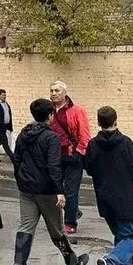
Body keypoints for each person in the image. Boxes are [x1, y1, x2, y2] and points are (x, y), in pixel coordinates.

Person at [10, 98, 90, 265]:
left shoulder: (24, 134)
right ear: (50, 115)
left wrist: (20, 178)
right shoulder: (51, 137)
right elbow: (53, 166)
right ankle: (72, 262)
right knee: (56, 229)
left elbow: (16, 158)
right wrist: (59, 191)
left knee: (26, 226)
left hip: (27, 188)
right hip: (46, 190)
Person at [85, 106, 133, 265]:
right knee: (130, 240)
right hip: (123, 196)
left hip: (103, 195)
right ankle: (110, 262)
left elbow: (89, 168)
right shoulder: (125, 142)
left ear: (98, 122)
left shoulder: (93, 144)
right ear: (116, 121)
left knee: (121, 237)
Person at [48, 80, 91, 234]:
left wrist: (80, 152)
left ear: (65, 93)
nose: (53, 93)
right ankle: (74, 210)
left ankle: (70, 222)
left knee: (71, 190)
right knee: (54, 188)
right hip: (54, 156)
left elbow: (84, 133)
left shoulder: (77, 110)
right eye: (52, 90)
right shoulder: (48, 110)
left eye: (57, 90)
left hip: (73, 155)